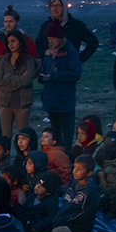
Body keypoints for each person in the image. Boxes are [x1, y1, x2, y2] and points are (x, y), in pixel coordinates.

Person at [37, 22, 83, 151]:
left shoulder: (70, 52)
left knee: (66, 135)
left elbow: (76, 73)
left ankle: (66, 159)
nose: (50, 41)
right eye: (49, 39)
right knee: (55, 134)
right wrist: (42, 77)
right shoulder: (48, 53)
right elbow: (46, 69)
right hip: (51, 99)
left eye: (52, 39)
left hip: (64, 100)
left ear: (59, 38)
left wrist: (55, 76)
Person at [0, 29, 37, 140]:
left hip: (22, 102)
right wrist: (18, 79)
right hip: (5, 102)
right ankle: (5, 156)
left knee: (23, 135)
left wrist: (8, 78)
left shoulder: (28, 60)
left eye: (13, 41)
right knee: (5, 136)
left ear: (20, 42)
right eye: (8, 42)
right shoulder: (4, 60)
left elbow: (27, 80)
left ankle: (23, 157)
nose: (11, 44)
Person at [46, 155, 102, 232]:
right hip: (63, 218)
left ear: (89, 173)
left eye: (79, 169)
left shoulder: (90, 192)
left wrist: (65, 221)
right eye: (74, 167)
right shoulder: (75, 183)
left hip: (78, 226)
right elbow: (65, 202)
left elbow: (85, 216)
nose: (74, 171)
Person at [44, 0, 98, 65]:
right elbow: (40, 45)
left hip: (69, 67)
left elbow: (93, 42)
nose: (55, 9)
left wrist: (79, 59)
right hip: (49, 67)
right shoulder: (46, 26)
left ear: (64, 7)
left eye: (58, 6)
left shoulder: (76, 26)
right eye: (52, 6)